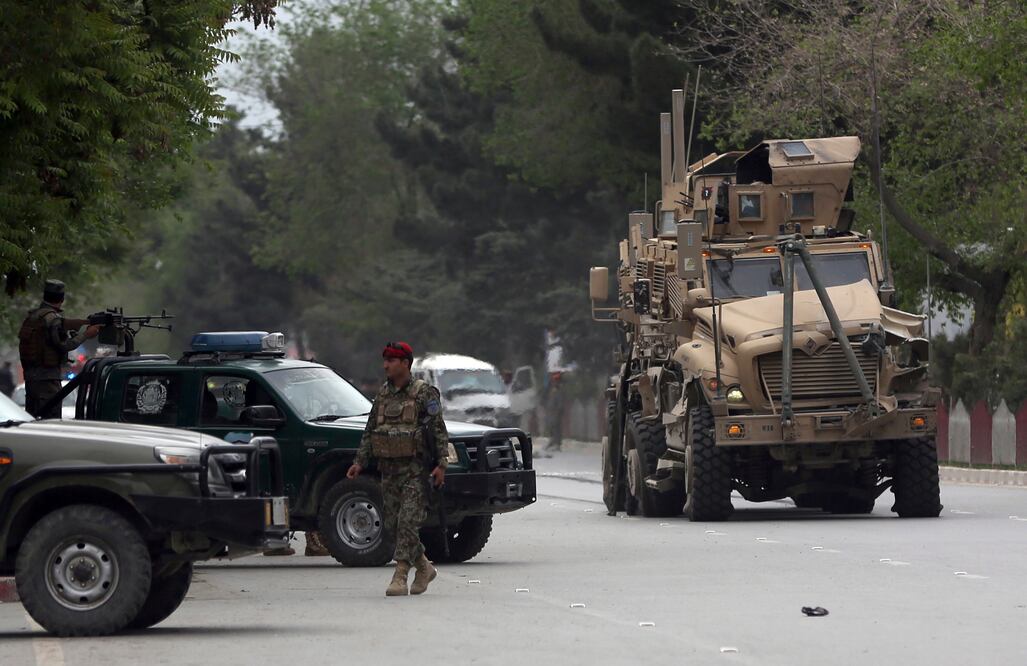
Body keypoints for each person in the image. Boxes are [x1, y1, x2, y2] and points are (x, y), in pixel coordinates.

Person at [347, 341, 448, 597]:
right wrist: (359, 462)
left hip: (415, 470)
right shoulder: (383, 395)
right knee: (392, 525)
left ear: (405, 363)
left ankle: (400, 574)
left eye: (391, 360)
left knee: (407, 522)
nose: (386, 365)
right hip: (388, 471)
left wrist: (441, 465)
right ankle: (424, 566)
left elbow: (438, 431)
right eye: (385, 360)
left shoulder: (424, 393)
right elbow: (370, 431)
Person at [18, 280, 101, 418]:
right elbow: (65, 345)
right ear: (61, 299)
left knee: (33, 423)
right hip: (47, 381)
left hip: (32, 380)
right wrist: (87, 334)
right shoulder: (53, 320)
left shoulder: (33, 316)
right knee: (50, 423)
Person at [545, 372, 565, 452]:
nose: (554, 382)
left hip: (557, 411)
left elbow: (560, 402)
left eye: (556, 380)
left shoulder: (559, 389)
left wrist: (558, 411)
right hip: (552, 411)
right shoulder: (553, 389)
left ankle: (557, 444)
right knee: (551, 426)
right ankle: (552, 442)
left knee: (557, 427)